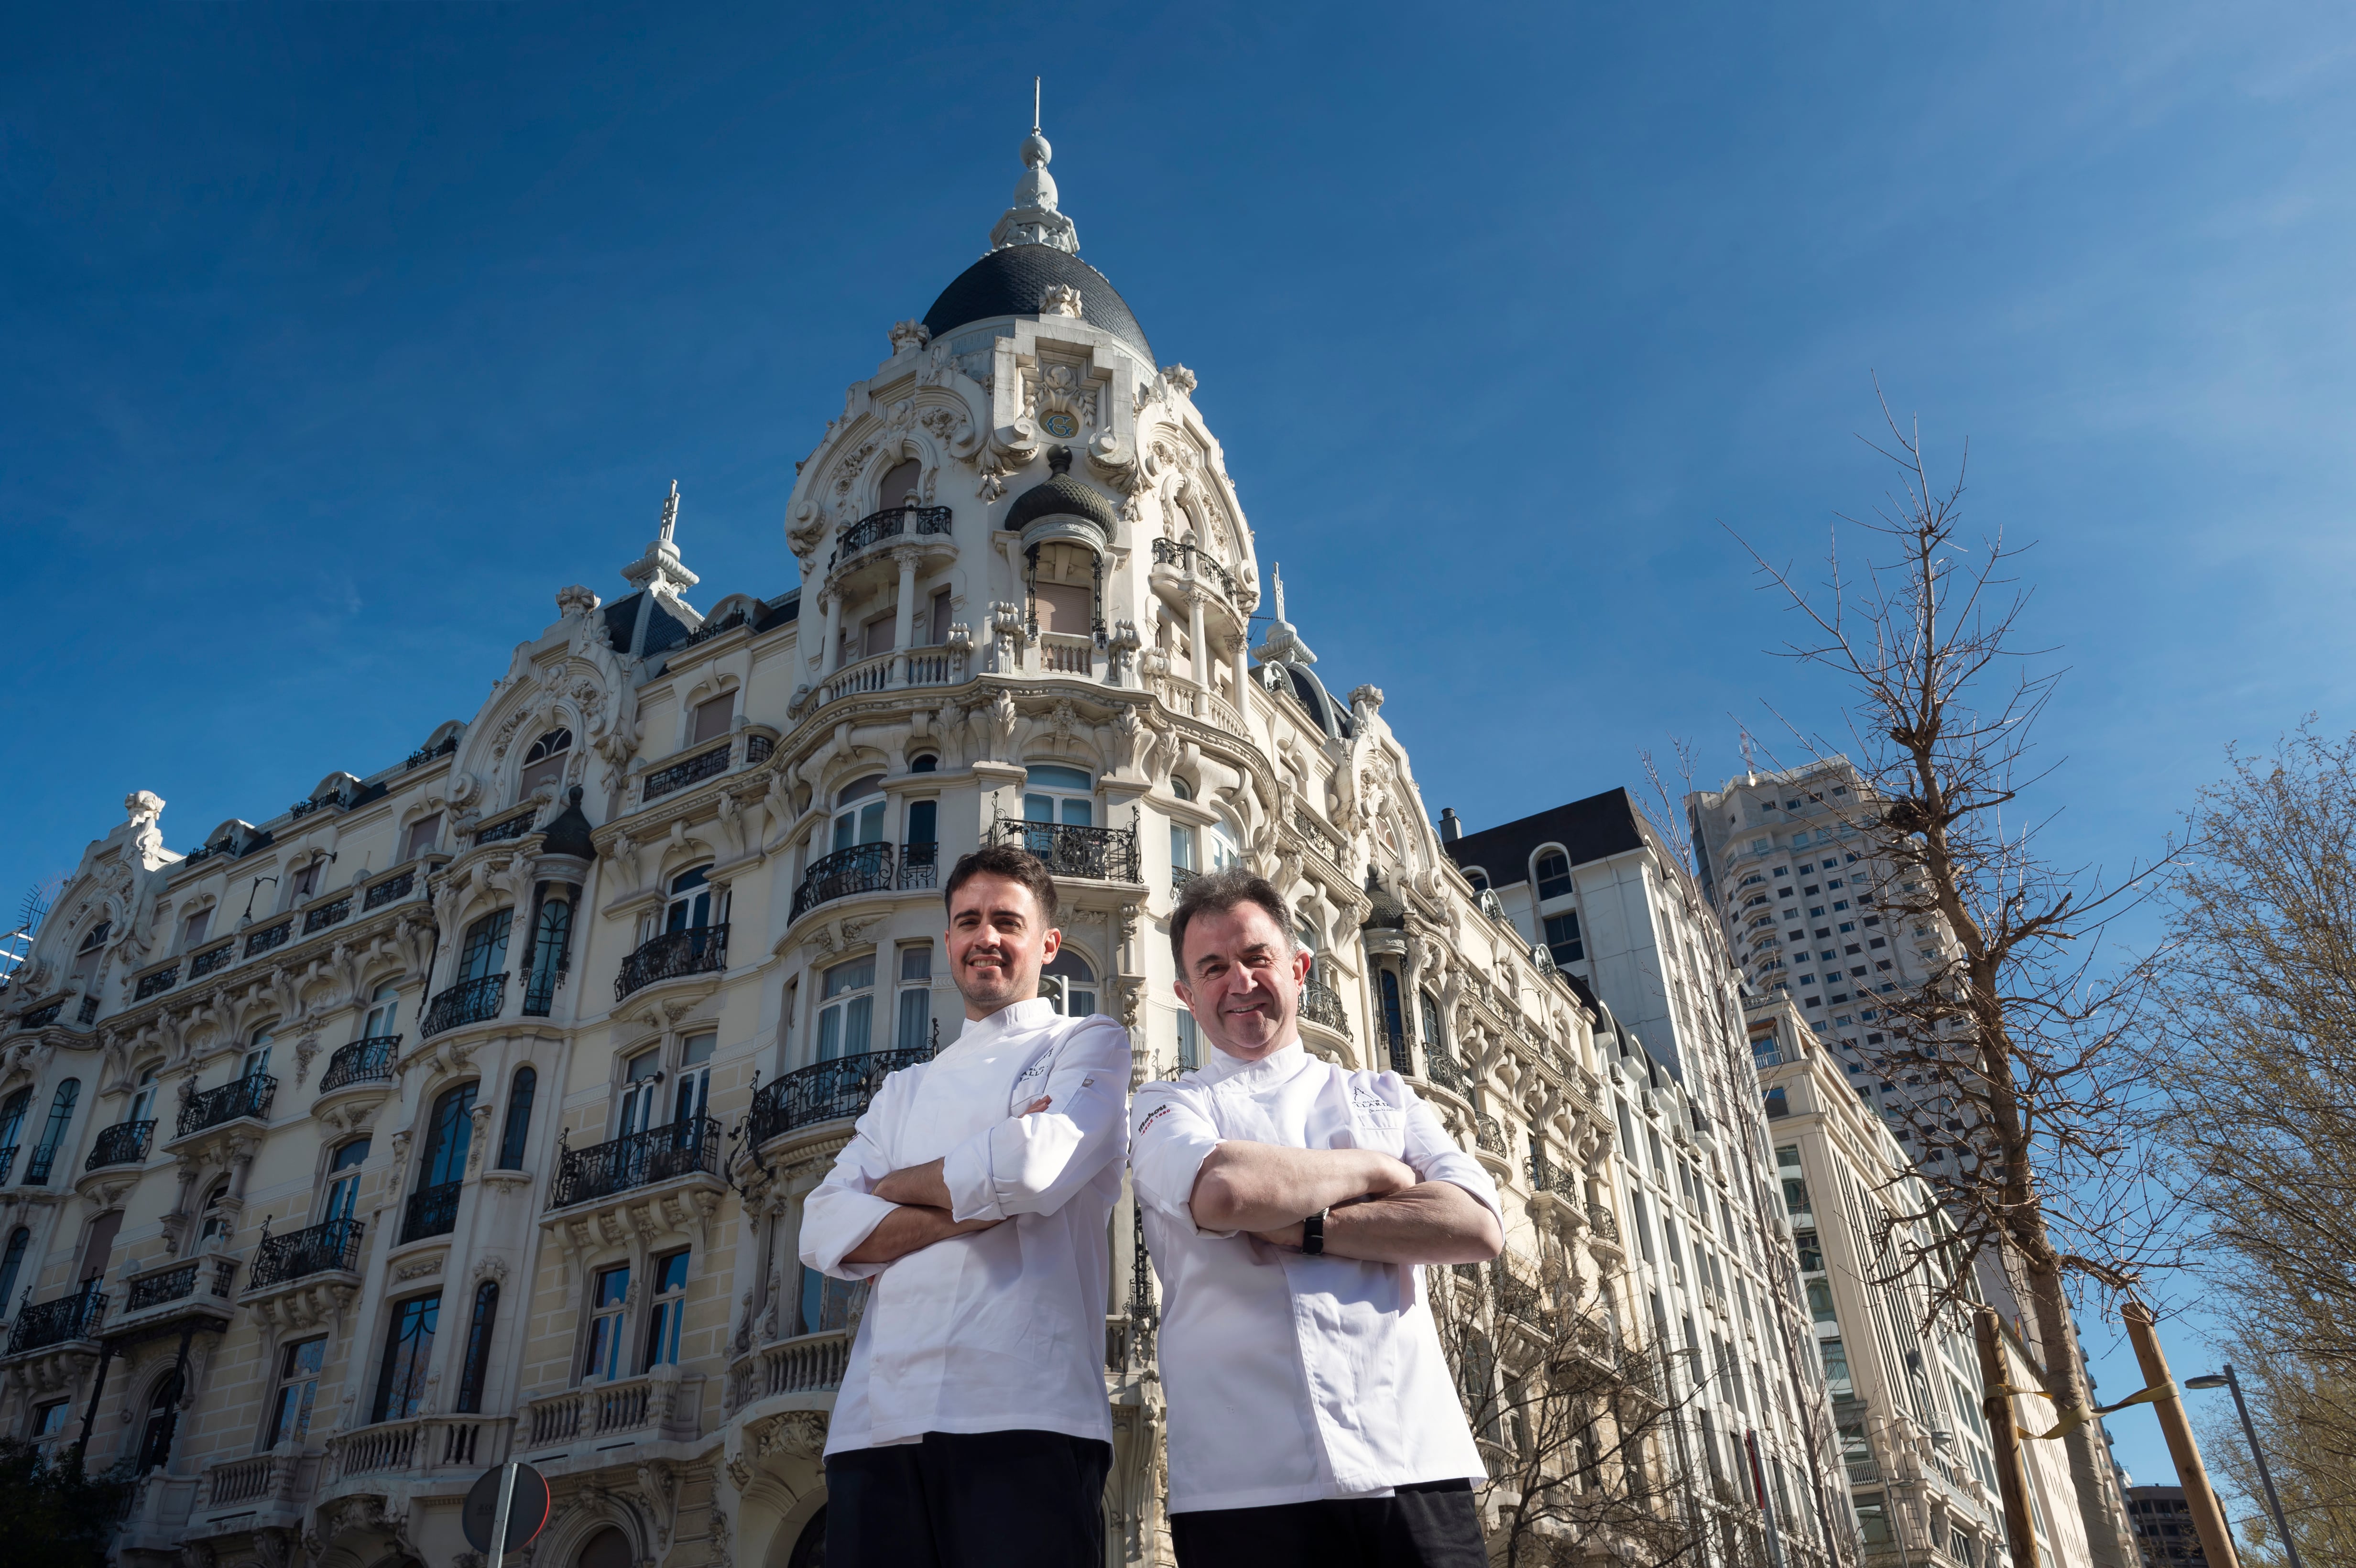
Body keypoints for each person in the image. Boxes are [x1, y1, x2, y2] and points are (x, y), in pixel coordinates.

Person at [1130, 866, 1506, 1567]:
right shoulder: (1165, 1105)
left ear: (1299, 968)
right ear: (1185, 995)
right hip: (1243, 1482)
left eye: (1256, 958)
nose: (1239, 983)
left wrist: (1308, 1227)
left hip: (1412, 1462)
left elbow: (1477, 1225)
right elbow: (1228, 1194)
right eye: (1212, 968)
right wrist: (1380, 1175)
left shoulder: (1385, 1097)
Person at [799, 843, 1132, 1568]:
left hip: (1030, 1411)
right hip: (874, 1425)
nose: (986, 937)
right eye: (969, 921)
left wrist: (889, 1188)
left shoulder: (1090, 1042)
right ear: (948, 939)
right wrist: (988, 1192)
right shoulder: (903, 1089)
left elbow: (1038, 1167)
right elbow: (823, 1227)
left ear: (1048, 943)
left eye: (1007, 922)